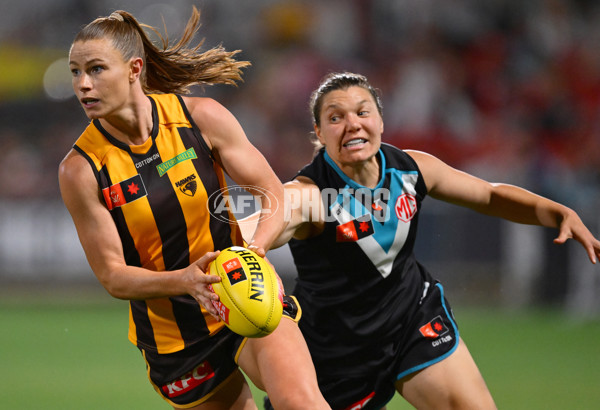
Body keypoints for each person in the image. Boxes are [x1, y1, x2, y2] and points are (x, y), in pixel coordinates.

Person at [261, 72, 600, 410]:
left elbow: (489, 195)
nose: (352, 124)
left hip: (410, 321)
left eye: (362, 112)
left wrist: (558, 213)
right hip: (336, 351)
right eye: (335, 117)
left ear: (380, 121)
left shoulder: (411, 169)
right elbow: (267, 217)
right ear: (319, 133)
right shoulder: (308, 194)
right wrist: (250, 248)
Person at [58, 8, 330, 410]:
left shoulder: (199, 118)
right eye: (75, 72)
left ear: (134, 69)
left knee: (303, 404)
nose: (83, 85)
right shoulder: (81, 170)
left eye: (96, 69)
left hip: (244, 291)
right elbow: (113, 276)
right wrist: (184, 281)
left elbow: (271, 194)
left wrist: (254, 251)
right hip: (175, 338)